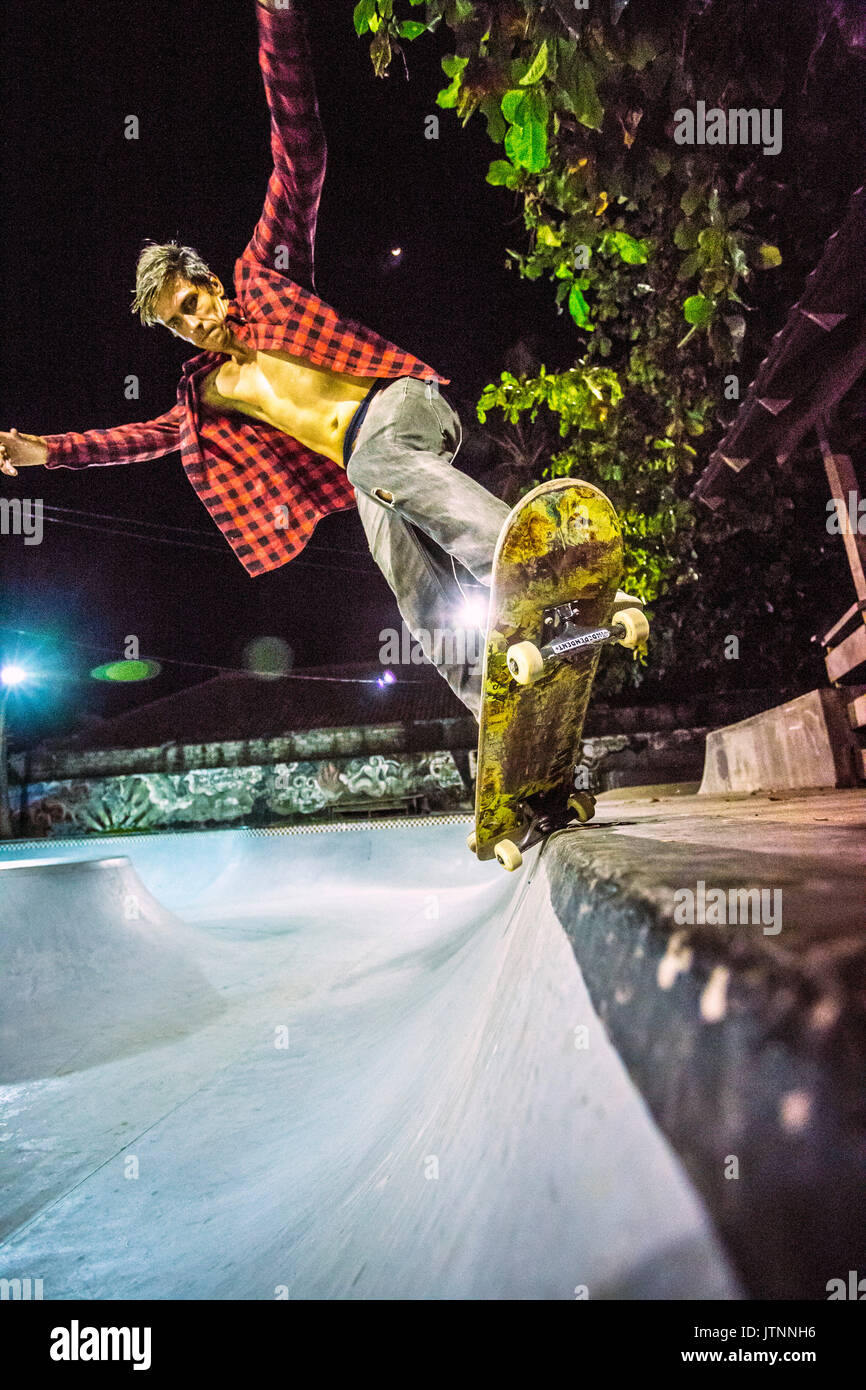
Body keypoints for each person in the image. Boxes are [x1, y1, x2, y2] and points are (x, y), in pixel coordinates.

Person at [0, 0, 509, 718]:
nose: (199, 321)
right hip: (377, 475)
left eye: (196, 300)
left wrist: (278, 18)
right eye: (181, 321)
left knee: (370, 462)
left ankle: (520, 563)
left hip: (401, 407)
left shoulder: (265, 277)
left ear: (210, 281)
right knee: (405, 577)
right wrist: (45, 450)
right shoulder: (206, 397)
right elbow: (135, 441)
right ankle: (497, 705)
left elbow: (298, 157)